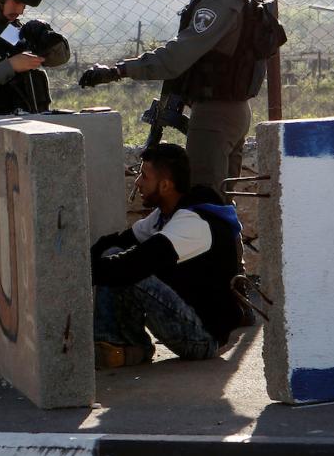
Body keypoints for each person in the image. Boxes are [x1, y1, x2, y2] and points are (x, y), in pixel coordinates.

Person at [78, 0, 262, 196]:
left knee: (203, 199)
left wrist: (119, 70)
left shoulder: (220, 2)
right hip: (230, 109)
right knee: (221, 203)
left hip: (215, 114)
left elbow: (175, 58)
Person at [90, 143, 246, 368]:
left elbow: (134, 264)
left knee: (129, 270)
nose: (137, 183)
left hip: (202, 338)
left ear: (165, 185)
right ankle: (128, 346)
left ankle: (109, 344)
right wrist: (80, 260)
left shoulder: (194, 222)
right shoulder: (164, 214)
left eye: (144, 176)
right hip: (184, 317)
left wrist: (77, 275)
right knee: (113, 255)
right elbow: (118, 242)